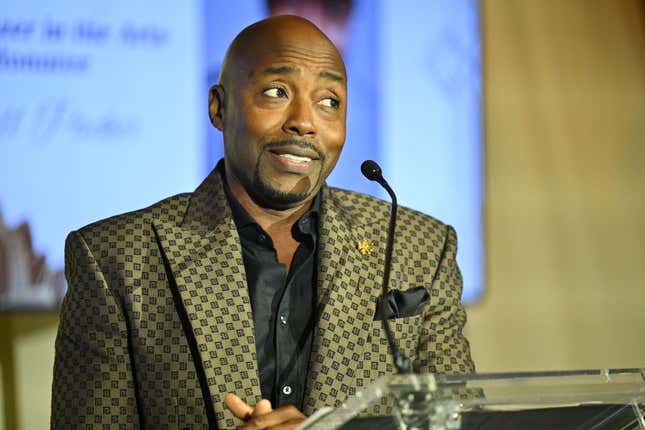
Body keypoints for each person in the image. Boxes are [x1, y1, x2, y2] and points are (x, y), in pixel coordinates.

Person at [52, 15, 474, 430]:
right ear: (219, 108)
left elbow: (463, 420)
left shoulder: (417, 247)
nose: (305, 122)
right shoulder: (116, 258)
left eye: (330, 101)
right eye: (276, 91)